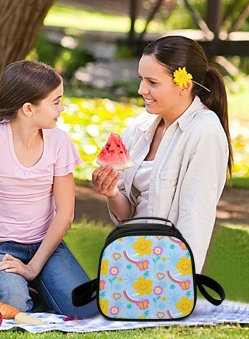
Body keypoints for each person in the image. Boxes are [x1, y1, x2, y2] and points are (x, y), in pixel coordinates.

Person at [0, 60, 98, 318]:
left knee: (83, 310)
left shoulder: (59, 142)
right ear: (28, 109)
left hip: (46, 245)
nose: (63, 107)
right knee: (14, 307)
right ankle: (25, 289)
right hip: (0, 247)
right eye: (56, 102)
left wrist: (33, 268)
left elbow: (65, 213)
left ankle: (34, 283)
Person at [92, 35, 232, 272]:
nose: (141, 89)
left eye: (152, 82)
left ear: (184, 85)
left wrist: (179, 284)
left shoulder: (205, 132)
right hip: (129, 257)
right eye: (141, 79)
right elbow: (127, 215)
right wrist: (112, 192)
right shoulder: (139, 126)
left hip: (167, 268)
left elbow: (194, 218)